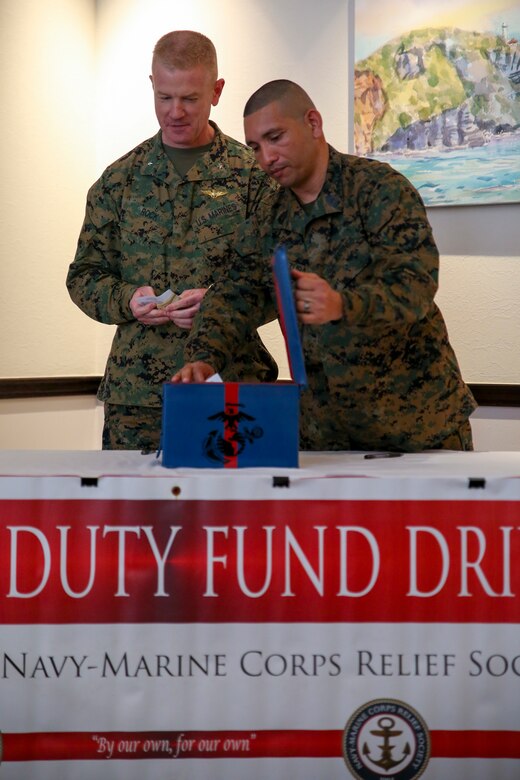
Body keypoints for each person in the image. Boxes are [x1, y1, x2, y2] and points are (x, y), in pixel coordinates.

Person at [172, 79, 477, 452]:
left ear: (313, 124)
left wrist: (343, 305)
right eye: (255, 147)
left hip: (417, 427)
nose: (266, 157)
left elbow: (415, 286)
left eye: (275, 137)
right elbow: (235, 294)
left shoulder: (378, 190)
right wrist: (204, 357)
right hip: (327, 436)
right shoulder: (268, 218)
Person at [66, 31, 277, 451]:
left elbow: (281, 280)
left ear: (216, 92)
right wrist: (127, 299)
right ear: (151, 86)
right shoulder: (119, 181)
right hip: (138, 398)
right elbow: (83, 277)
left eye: (190, 99)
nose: (175, 112)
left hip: (230, 385)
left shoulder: (255, 177)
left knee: (236, 513)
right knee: (137, 514)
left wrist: (218, 304)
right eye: (164, 97)